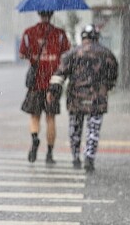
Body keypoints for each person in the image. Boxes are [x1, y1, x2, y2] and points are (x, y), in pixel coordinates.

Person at [49, 24, 118, 173]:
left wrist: (53, 92)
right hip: (97, 99)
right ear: (96, 38)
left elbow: (60, 74)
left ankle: (75, 157)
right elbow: (113, 76)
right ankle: (89, 158)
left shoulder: (72, 54)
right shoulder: (107, 54)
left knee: (75, 128)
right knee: (93, 130)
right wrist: (107, 87)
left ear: (83, 38)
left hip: (76, 98)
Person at [19, 10, 71, 164]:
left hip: (35, 83)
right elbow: (66, 54)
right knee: (50, 118)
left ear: (38, 14)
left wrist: (34, 57)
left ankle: (35, 138)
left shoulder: (29, 33)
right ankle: (49, 154)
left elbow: (22, 54)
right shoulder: (60, 34)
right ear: (52, 14)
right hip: (53, 82)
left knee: (34, 116)